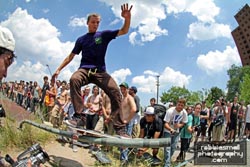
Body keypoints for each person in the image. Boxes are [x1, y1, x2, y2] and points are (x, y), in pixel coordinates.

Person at [52, 4, 133, 135]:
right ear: (88, 23)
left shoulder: (104, 35)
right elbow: (70, 56)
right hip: (85, 70)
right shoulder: (81, 39)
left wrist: (127, 18)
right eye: (93, 22)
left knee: (115, 91)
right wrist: (58, 69)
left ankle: (119, 127)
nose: (96, 25)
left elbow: (124, 31)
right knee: (74, 79)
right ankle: (79, 116)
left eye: (97, 23)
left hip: (100, 71)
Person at [163, 98, 188, 167]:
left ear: (184, 106)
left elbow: (184, 123)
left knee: (173, 148)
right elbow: (165, 123)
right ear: (176, 104)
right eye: (179, 105)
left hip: (176, 132)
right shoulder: (170, 111)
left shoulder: (184, 112)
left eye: (182, 105)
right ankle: (167, 164)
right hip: (167, 131)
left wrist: (179, 125)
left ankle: (166, 160)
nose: (180, 107)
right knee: (167, 148)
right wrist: (170, 129)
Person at [119, 82, 136, 166]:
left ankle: (124, 160)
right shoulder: (122, 98)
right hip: (122, 123)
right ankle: (122, 158)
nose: (122, 90)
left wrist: (127, 120)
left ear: (127, 89)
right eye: (121, 88)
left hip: (128, 123)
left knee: (125, 141)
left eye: (124, 88)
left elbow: (134, 109)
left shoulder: (130, 98)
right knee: (122, 140)